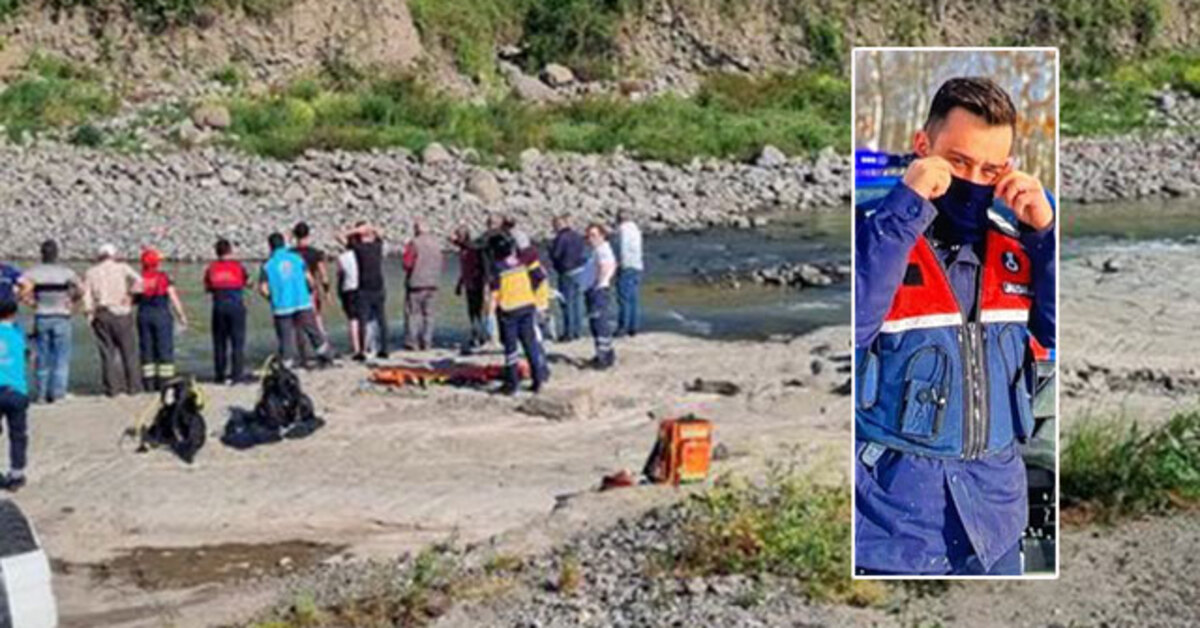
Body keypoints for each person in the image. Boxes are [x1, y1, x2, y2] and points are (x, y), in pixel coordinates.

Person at [854, 77, 1056, 576]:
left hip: (997, 524)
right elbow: (854, 325)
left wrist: (1046, 237)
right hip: (893, 533)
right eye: (958, 162)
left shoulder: (1020, 246)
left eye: (990, 169)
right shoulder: (871, 232)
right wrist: (907, 207)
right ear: (923, 148)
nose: (972, 180)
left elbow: (1055, 333)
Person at [18, 240, 82, 404]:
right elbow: (81, 288)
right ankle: (58, 393)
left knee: (42, 357)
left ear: (42, 254)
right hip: (61, 315)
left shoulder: (33, 272)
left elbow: (20, 289)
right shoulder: (66, 272)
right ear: (56, 254)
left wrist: (32, 303)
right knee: (61, 357)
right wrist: (72, 301)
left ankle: (41, 394)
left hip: (42, 315)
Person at [259, 232, 332, 368]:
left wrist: (271, 298)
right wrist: (310, 291)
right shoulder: (297, 259)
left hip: (282, 306)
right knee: (313, 332)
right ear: (283, 243)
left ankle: (287, 364)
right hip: (302, 301)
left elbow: (263, 288)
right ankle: (326, 357)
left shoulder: (267, 265)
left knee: (286, 338)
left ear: (270, 246)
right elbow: (309, 279)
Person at [488, 234, 548, 395]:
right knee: (531, 344)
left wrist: (489, 315)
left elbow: (495, 292)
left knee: (511, 348)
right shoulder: (523, 260)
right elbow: (540, 277)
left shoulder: (497, 267)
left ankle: (512, 384)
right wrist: (532, 293)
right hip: (527, 305)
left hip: (509, 309)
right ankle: (539, 380)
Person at [83, 244, 144, 396]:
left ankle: (112, 389)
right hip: (122, 312)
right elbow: (140, 281)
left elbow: (86, 296)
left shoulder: (91, 272)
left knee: (107, 354)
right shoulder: (122, 268)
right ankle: (133, 387)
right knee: (129, 352)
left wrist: (89, 315)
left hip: (102, 313)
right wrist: (130, 295)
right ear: (113, 255)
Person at [136, 248, 189, 392]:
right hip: (162, 316)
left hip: (144, 316)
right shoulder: (164, 277)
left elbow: (132, 298)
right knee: (164, 350)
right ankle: (165, 383)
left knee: (147, 350)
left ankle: (148, 384)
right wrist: (182, 316)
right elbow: (173, 297)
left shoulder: (139, 279)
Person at [339, 222, 389, 358]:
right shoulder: (377, 246)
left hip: (364, 288)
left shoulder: (359, 248)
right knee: (381, 319)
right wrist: (371, 228)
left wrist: (356, 230)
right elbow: (382, 234)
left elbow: (340, 236)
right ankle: (384, 348)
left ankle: (361, 351)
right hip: (378, 286)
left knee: (362, 319)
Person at [204, 239, 250, 384]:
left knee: (219, 343)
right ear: (230, 251)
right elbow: (246, 281)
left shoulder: (211, 268)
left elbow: (207, 288)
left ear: (216, 252)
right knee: (237, 342)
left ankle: (219, 376)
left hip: (219, 307)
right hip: (236, 307)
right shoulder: (238, 267)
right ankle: (237, 375)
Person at [0, 299, 30, 491]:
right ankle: (16, 473)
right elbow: (27, 354)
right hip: (16, 390)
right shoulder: (18, 333)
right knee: (18, 434)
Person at [401, 220, 443, 351]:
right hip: (433, 283)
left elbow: (407, 263)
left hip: (416, 283)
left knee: (414, 314)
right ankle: (427, 342)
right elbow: (442, 262)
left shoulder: (414, 243)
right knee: (429, 315)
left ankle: (412, 342)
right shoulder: (437, 244)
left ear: (417, 229)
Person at [549, 215, 587, 342]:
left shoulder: (561, 238)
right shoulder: (577, 236)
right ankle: (577, 331)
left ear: (558, 225)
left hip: (567, 271)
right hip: (580, 270)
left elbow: (556, 254)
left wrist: (550, 251)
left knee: (566, 302)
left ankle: (568, 332)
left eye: (554, 225)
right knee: (577, 302)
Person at [584, 223, 617, 369]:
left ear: (602, 235)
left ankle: (603, 358)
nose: (590, 239)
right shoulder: (598, 249)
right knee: (597, 322)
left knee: (599, 323)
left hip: (598, 291)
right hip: (596, 289)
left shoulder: (602, 250)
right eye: (589, 235)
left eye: (594, 235)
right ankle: (605, 354)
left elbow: (606, 266)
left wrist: (597, 283)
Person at [452, 226, 488, 351]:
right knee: (473, 312)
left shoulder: (471, 250)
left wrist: (472, 281)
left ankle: (479, 336)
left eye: (458, 235)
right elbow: (464, 270)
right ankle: (477, 335)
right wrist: (460, 284)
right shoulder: (464, 250)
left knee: (476, 310)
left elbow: (475, 267)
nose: (457, 238)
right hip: (469, 282)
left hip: (475, 283)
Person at [291, 222, 330, 334]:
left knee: (297, 320)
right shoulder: (315, 253)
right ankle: (323, 342)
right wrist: (326, 291)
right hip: (311, 289)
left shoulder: (291, 254)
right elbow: (323, 274)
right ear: (308, 235)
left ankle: (300, 345)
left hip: (296, 290)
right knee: (316, 317)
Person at [614, 210, 644, 337]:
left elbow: (623, 248)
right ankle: (633, 326)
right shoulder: (636, 229)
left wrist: (619, 264)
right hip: (637, 265)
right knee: (633, 298)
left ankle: (623, 327)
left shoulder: (623, 229)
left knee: (624, 298)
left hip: (627, 266)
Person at [335, 236, 363, 361]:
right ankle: (365, 346)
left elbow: (340, 275)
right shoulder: (361, 255)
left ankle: (356, 348)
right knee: (363, 318)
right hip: (361, 287)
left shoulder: (342, 258)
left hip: (348, 289)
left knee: (352, 320)